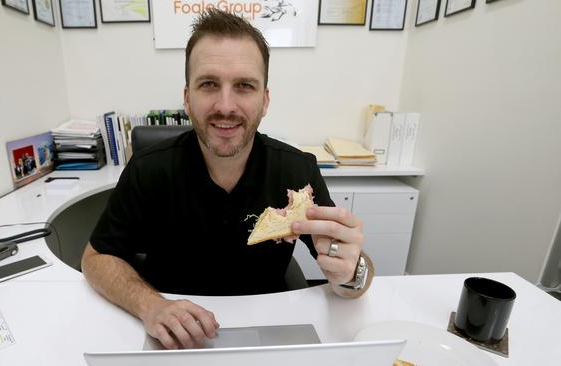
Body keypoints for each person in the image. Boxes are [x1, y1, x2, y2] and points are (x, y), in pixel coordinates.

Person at [81, 9, 373, 350]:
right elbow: (96, 257)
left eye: (244, 86)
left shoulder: (297, 172)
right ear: (188, 98)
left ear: (264, 100)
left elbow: (350, 275)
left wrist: (351, 273)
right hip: (171, 338)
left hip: (266, 332)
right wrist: (151, 306)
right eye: (208, 84)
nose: (225, 105)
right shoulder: (147, 169)